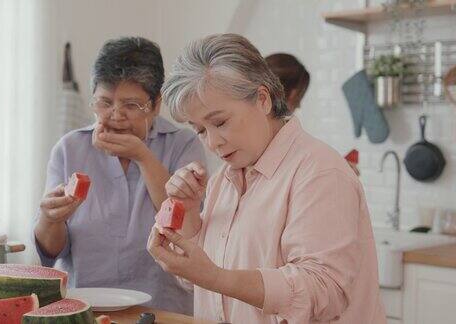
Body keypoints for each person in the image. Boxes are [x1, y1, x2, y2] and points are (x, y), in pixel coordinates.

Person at [147, 33, 385, 323]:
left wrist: (216, 277)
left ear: (262, 99)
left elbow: (324, 292)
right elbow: (201, 283)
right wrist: (187, 215)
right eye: (200, 130)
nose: (212, 143)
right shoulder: (225, 179)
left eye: (220, 122)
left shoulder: (321, 172)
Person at [34, 36, 205, 314]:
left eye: (131, 105)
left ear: (156, 103)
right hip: (84, 308)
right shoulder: (69, 148)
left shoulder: (184, 144)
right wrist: (49, 218)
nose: (116, 115)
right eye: (104, 102)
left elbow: (186, 226)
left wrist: (143, 156)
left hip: (164, 310)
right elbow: (51, 251)